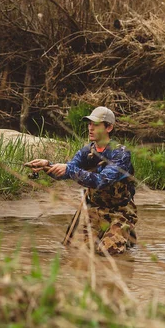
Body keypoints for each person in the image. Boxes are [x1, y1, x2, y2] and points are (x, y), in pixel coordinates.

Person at [25, 106, 137, 255]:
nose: (90, 128)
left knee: (107, 252)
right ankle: (123, 238)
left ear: (109, 127)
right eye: (89, 124)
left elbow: (101, 181)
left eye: (96, 125)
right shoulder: (87, 152)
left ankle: (126, 235)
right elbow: (67, 171)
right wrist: (47, 166)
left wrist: (69, 169)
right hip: (95, 211)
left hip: (121, 212)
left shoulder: (120, 154)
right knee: (79, 252)